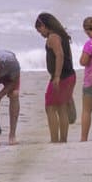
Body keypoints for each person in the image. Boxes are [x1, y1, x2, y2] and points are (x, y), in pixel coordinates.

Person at [35, 12, 77, 143]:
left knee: (50, 107)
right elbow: (67, 55)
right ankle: (63, 139)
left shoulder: (53, 37)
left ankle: (54, 139)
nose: (40, 33)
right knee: (61, 107)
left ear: (44, 25)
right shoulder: (63, 36)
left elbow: (60, 55)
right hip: (70, 74)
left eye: (39, 30)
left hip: (61, 76)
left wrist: (57, 76)